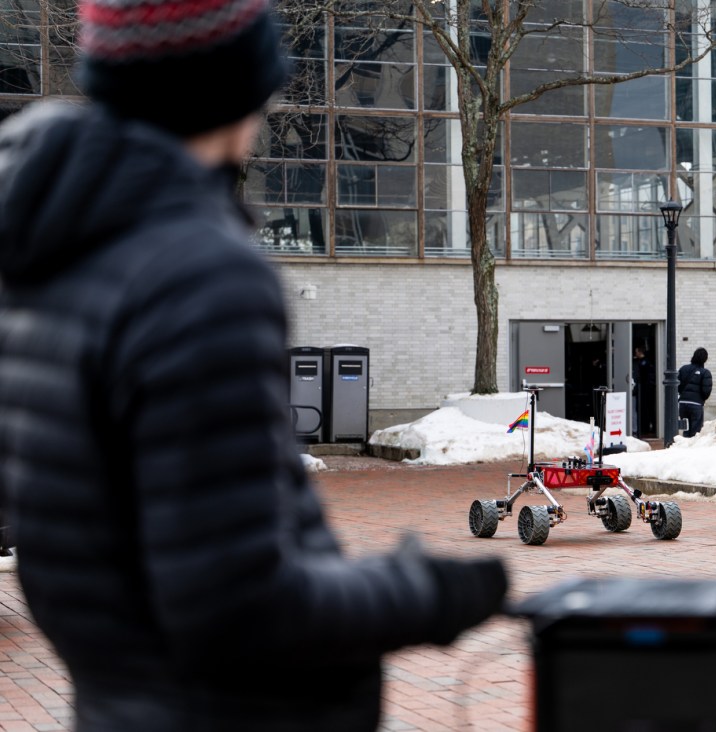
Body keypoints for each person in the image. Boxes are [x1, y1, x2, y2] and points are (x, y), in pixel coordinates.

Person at [0, 1, 507, 730]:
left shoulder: (48, 254)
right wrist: (430, 591)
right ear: (227, 86)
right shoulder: (198, 274)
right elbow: (237, 607)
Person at [677, 347, 713, 438]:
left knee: (686, 430)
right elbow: (706, 391)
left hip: (682, 404)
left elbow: (677, 385)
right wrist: (701, 399)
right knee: (696, 433)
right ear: (705, 359)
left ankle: (684, 449)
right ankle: (692, 451)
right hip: (696, 404)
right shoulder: (705, 373)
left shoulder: (683, 369)